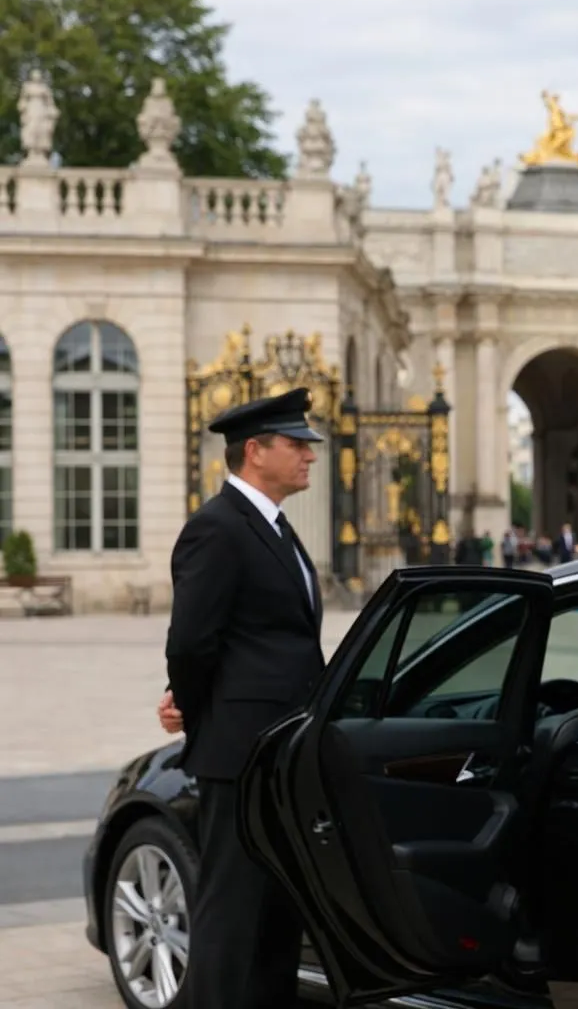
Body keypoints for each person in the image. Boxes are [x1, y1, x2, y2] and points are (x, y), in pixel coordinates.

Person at [157, 386, 326, 1009]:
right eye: (296, 444)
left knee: (279, 907)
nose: (309, 455)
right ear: (255, 451)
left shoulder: (274, 528)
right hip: (239, 753)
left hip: (282, 749)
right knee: (231, 910)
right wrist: (197, 712)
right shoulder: (217, 528)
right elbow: (193, 640)